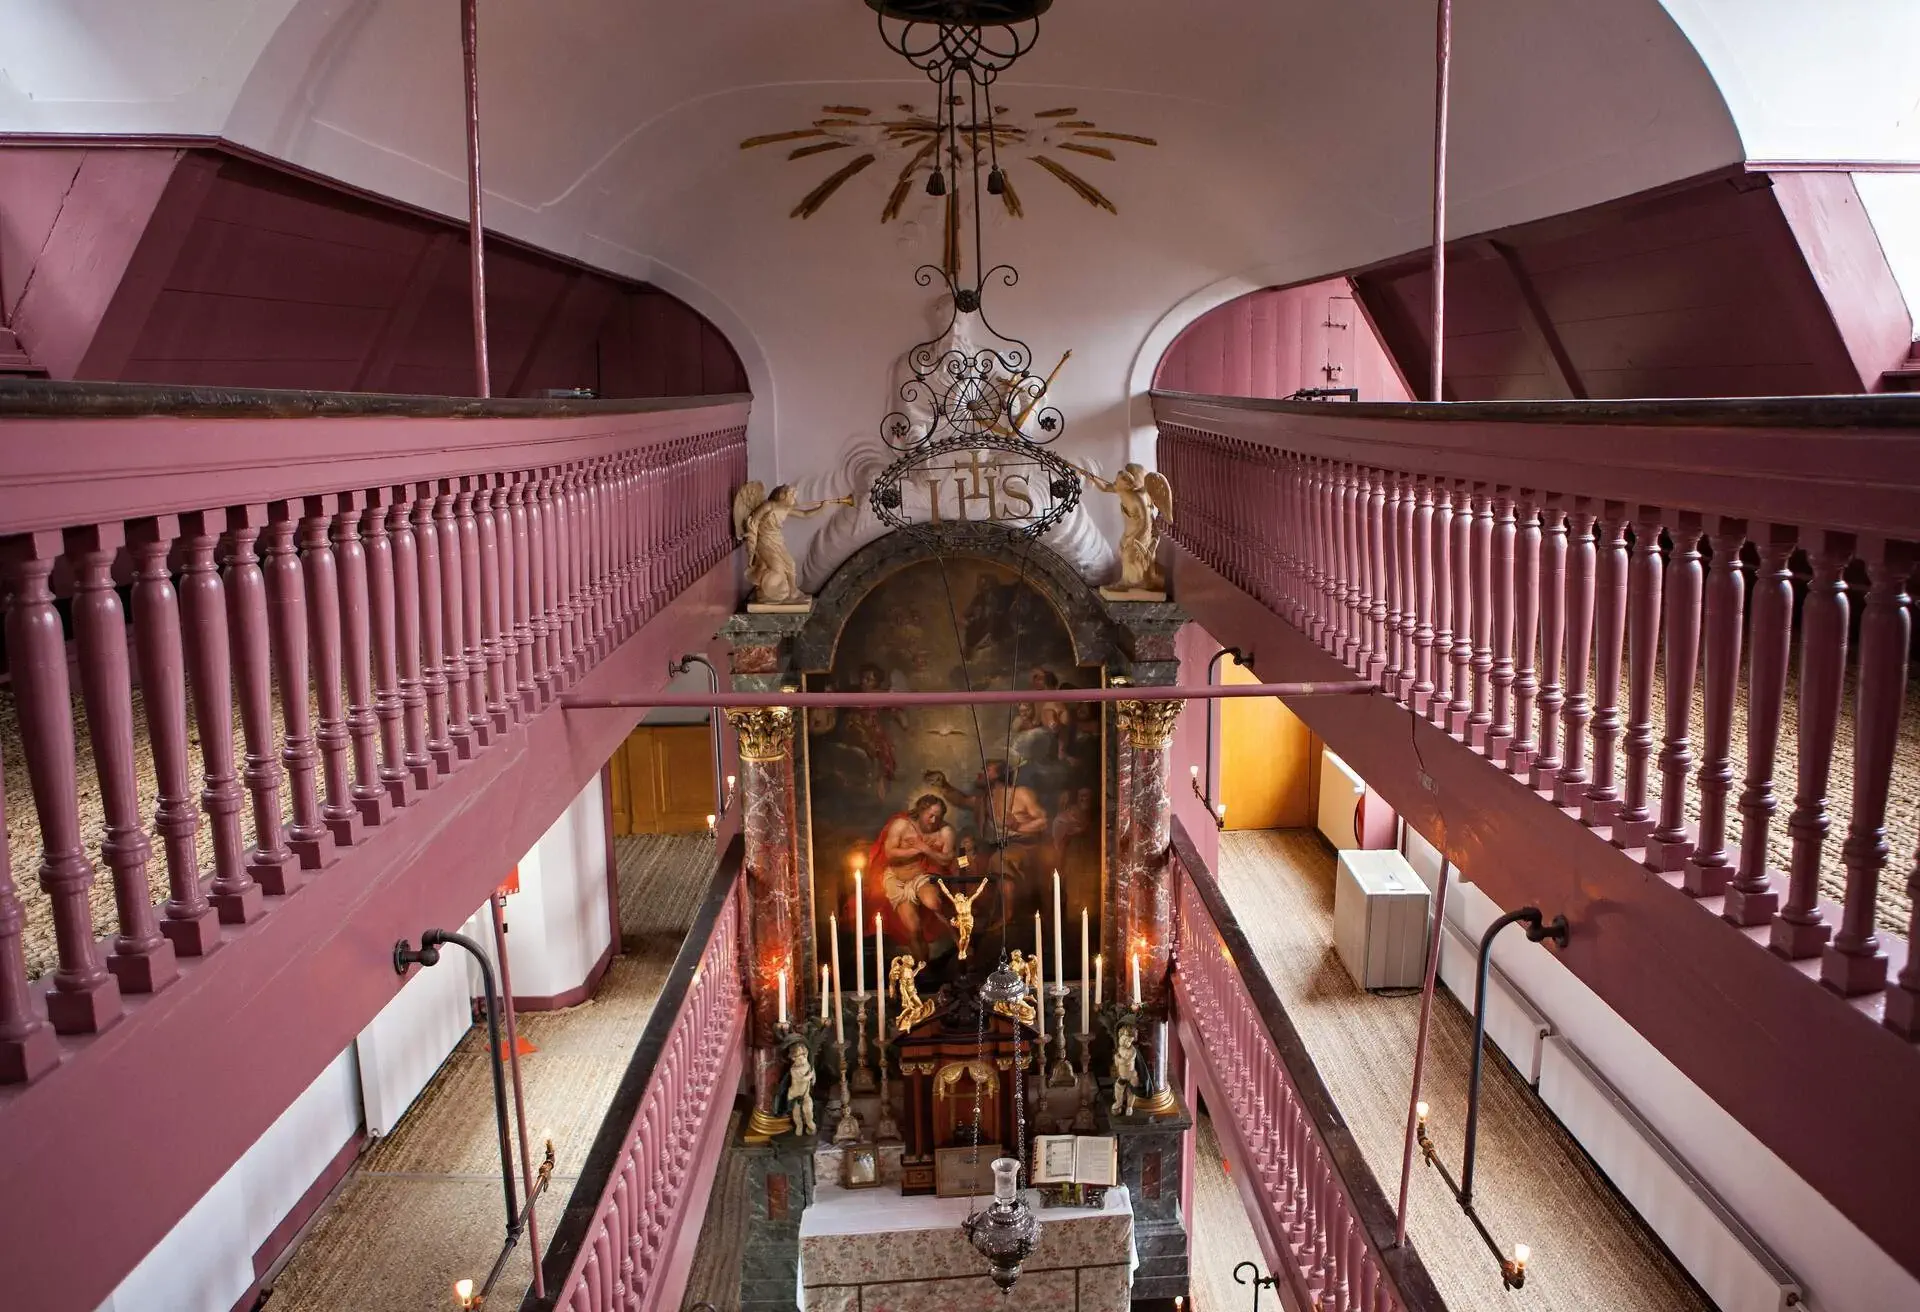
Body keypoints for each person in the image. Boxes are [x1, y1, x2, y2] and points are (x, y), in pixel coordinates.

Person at [872, 794, 958, 949]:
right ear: (920, 811)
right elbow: (890, 853)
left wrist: (925, 849)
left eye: (938, 817)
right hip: (896, 879)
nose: (934, 821)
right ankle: (923, 968)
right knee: (913, 928)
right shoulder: (901, 825)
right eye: (930, 815)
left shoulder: (945, 831)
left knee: (933, 902)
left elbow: (946, 860)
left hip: (920, 875)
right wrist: (917, 850)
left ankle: (960, 942)